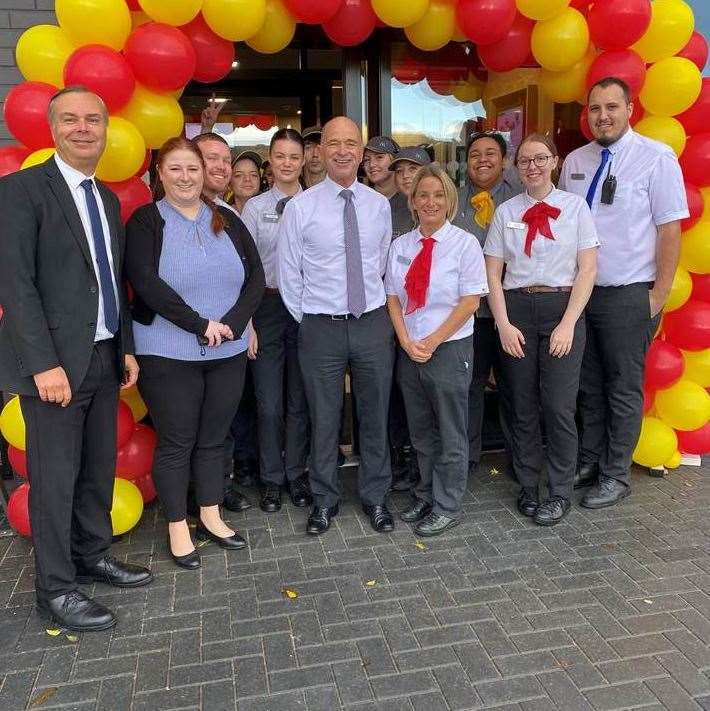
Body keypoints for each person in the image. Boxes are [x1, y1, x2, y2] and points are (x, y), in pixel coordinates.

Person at [0, 86, 152, 632]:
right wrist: (43, 364)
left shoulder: (106, 198)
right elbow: (15, 285)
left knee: (96, 469)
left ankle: (92, 555)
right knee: (55, 478)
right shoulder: (21, 191)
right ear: (53, 128)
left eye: (93, 119)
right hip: (55, 368)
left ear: (106, 129)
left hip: (105, 356)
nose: (84, 128)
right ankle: (56, 591)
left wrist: (125, 345)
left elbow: (112, 281)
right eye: (71, 120)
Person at [125, 136, 264, 569]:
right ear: (160, 174)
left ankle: (210, 514)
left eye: (193, 169)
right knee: (177, 441)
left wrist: (234, 326)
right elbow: (146, 283)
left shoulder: (226, 219)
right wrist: (201, 326)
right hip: (167, 353)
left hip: (228, 349)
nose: (186, 177)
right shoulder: (147, 221)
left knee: (213, 438)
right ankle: (177, 527)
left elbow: (256, 277)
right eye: (176, 169)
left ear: (204, 174)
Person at [559, 77, 689, 508]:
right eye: (595, 109)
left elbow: (670, 228)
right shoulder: (576, 160)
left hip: (629, 294)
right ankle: (591, 461)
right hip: (582, 295)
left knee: (623, 387)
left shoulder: (656, 158)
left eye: (612, 107)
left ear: (629, 109)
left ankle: (616, 474)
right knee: (589, 385)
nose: (603, 116)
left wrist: (659, 294)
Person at [278, 116, 395, 535]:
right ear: (320, 151)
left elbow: (381, 264)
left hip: (371, 324)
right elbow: (290, 273)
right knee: (323, 417)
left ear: (361, 152)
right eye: (334, 143)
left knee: (374, 413)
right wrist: (309, 319)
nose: (343, 151)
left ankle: (376, 497)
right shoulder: (300, 207)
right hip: (320, 326)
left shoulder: (378, 205)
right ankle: (324, 500)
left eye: (351, 143)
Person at [484, 133, 599, 526]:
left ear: (555, 162)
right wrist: (502, 324)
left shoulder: (575, 208)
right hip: (516, 310)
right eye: (524, 161)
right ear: (516, 168)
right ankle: (529, 485)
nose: (532, 166)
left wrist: (568, 322)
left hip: (561, 310)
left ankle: (560, 491)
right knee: (523, 405)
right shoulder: (506, 211)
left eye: (539, 159)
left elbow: (588, 268)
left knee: (558, 406)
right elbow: (493, 273)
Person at [386, 164, 488, 536]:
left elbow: (470, 301)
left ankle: (448, 504)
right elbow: (393, 297)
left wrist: (433, 340)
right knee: (421, 431)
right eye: (423, 195)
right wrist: (405, 340)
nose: (430, 202)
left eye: (438, 195)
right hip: (410, 349)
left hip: (448, 348)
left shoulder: (465, 244)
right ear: (412, 202)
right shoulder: (402, 246)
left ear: (449, 201)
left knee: (449, 431)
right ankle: (425, 493)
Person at [241, 128, 311, 513]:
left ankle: (297, 474)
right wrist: (248, 321)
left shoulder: (316, 202)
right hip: (266, 308)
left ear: (303, 161)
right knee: (268, 402)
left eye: (294, 157)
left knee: (299, 400)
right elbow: (247, 268)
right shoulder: (254, 207)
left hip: (305, 308)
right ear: (271, 161)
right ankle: (271, 479)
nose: (287, 163)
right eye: (280, 156)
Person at [453, 131, 523, 475]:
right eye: (475, 154)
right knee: (470, 387)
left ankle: (518, 457)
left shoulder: (520, 200)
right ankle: (467, 457)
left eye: (490, 153)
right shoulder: (455, 201)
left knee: (515, 386)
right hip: (471, 315)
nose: (482, 159)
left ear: (504, 160)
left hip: (512, 311)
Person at [193, 132, 252, 513]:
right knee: (189, 426)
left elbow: (250, 275)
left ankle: (218, 488)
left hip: (229, 336)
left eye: (224, 160)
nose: (220, 166)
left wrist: (248, 324)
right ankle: (192, 497)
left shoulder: (229, 216)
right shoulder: (166, 213)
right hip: (181, 340)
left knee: (220, 419)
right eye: (210, 157)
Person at [386, 146, 432, 491]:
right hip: (393, 319)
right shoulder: (384, 209)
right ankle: (402, 458)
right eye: (400, 170)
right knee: (399, 394)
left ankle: (425, 468)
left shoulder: (437, 213)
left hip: (432, 326)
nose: (405, 177)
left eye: (413, 170)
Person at [389, 146, 432, 239]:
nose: (405, 175)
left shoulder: (443, 207)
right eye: (399, 171)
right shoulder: (388, 208)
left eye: (412, 169)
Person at [230, 150, 262, 215]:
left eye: (253, 175)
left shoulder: (273, 211)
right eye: (239, 175)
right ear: (229, 182)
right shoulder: (221, 215)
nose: (247, 179)